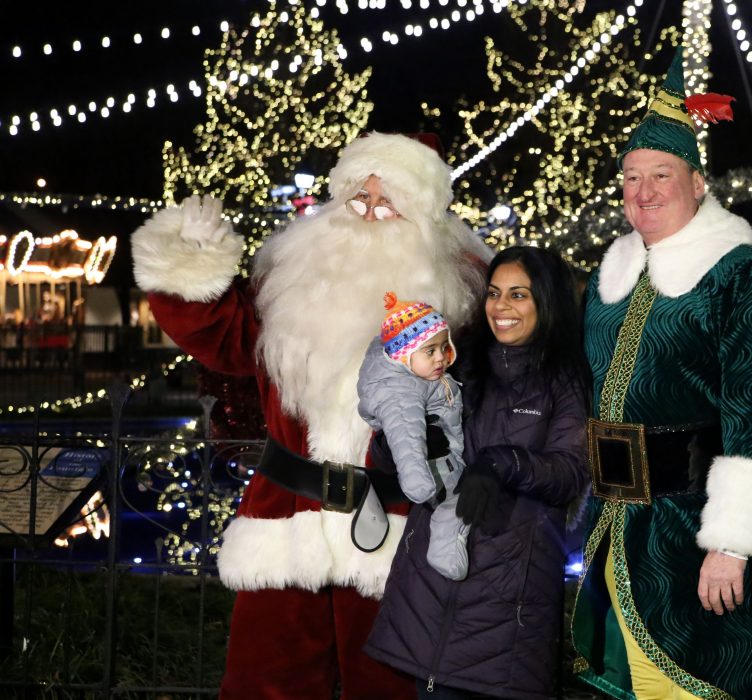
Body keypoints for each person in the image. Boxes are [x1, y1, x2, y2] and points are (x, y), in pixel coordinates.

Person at [130, 132, 491, 699]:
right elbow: (223, 338)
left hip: (396, 525)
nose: (370, 214)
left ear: (421, 215)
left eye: (387, 202)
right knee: (264, 681)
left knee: (389, 686)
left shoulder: (459, 297)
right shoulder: (288, 283)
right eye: (359, 198)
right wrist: (192, 262)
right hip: (287, 515)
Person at [571, 48, 752, 700]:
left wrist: (730, 542)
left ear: (698, 183)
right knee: (620, 680)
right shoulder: (610, 277)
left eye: (661, 175)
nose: (641, 192)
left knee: (692, 681)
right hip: (613, 525)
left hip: (691, 527)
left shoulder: (738, 275)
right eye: (630, 177)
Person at [365, 246, 591, 699]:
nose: (501, 307)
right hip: (429, 591)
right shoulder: (456, 363)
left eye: (518, 295)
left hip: (509, 604)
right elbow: (390, 462)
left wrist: (500, 463)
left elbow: (569, 471)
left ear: (546, 302)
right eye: (494, 293)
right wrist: (399, 441)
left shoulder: (565, 380)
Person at [357, 292, 471, 581]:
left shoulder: (422, 376)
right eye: (430, 351)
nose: (441, 358)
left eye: (444, 347)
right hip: (434, 473)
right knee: (459, 502)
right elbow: (405, 437)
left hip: (450, 456)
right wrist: (417, 481)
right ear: (403, 356)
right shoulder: (400, 393)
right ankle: (444, 551)